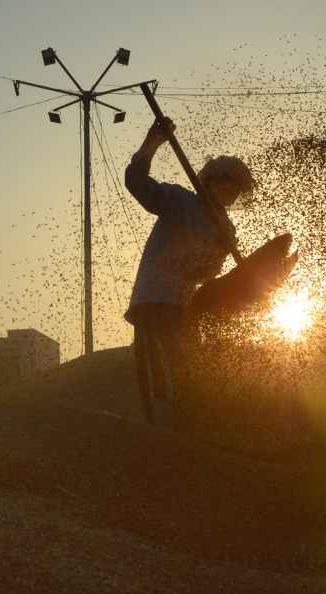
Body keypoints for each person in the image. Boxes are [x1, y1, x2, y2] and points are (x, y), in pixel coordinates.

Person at [124, 117, 255, 425]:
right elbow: (136, 183)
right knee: (160, 373)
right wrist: (152, 142)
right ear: (210, 181)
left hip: (186, 307)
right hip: (154, 300)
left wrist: (222, 250)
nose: (232, 193)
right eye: (228, 184)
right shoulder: (179, 200)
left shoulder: (225, 227)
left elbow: (205, 274)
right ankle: (162, 430)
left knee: (190, 372)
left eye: (237, 189)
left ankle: (191, 426)